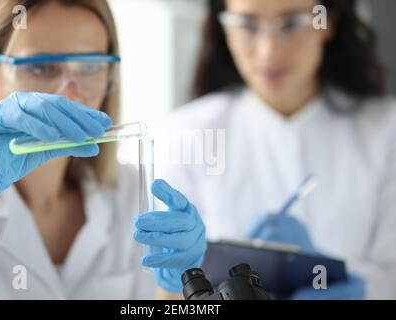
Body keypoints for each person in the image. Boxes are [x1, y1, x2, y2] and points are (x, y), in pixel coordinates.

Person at [0, 0, 206, 299]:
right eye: (41, 68)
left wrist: (175, 288)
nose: (70, 94)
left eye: (91, 66)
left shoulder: (127, 193)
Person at [161, 0, 396, 299]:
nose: (268, 52)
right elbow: (170, 286)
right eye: (246, 25)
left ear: (329, 22)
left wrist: (359, 287)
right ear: (224, 29)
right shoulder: (188, 133)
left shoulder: (387, 130)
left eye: (292, 24)